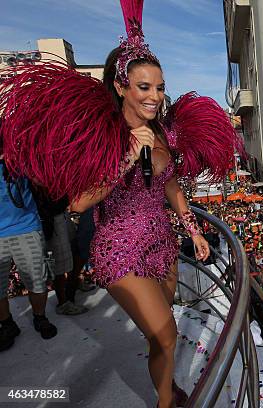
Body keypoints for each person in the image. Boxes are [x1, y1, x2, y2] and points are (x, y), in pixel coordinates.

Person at [0, 1, 241, 406]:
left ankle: (167, 389)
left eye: (160, 87)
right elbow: (77, 203)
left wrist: (193, 230)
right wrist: (127, 156)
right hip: (119, 251)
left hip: (161, 246)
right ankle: (167, 403)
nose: (155, 96)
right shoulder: (103, 138)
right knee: (165, 332)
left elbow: (172, 188)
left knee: (160, 338)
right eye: (144, 87)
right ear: (121, 86)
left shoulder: (164, 134)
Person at [0, 155, 58, 351]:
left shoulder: (17, 154)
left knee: (37, 281)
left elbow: (44, 181)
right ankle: (7, 325)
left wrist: (18, 160)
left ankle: (40, 318)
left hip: (26, 228)